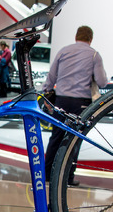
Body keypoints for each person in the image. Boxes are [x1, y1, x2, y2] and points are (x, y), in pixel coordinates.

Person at [43, 26, 108, 185]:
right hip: (81, 104)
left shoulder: (63, 51)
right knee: (74, 140)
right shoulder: (94, 55)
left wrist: (46, 93)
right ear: (90, 39)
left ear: (76, 36)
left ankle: (47, 174)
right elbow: (102, 82)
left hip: (61, 101)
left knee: (56, 137)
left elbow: (51, 76)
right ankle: (67, 177)